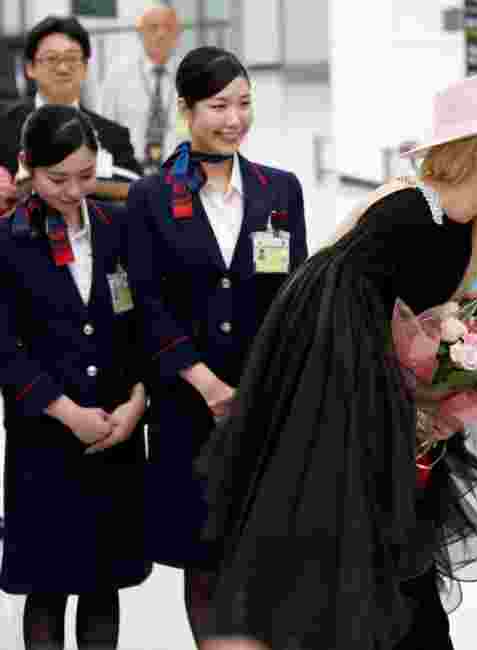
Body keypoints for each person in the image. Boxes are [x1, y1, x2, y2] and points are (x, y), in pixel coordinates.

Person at [194, 70, 477, 650]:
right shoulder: (400, 206)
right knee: (341, 577)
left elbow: (448, 326)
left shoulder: (475, 230)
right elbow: (320, 299)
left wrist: (461, 390)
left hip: (397, 430)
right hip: (335, 423)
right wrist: (398, 403)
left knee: (397, 579)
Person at [121, 46, 308, 645]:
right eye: (219, 105)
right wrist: (206, 384)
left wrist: (263, 388)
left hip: (264, 406)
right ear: (187, 108)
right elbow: (147, 304)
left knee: (263, 554)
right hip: (186, 407)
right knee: (203, 558)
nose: (234, 119)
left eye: (245, 103)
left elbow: (293, 299)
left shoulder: (280, 190)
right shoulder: (151, 197)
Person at [0, 105, 150, 649]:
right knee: (47, 587)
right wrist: (66, 412)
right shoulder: (9, 240)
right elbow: (5, 350)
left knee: (102, 582)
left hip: (116, 432)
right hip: (46, 438)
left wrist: (137, 400)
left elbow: (141, 324)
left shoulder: (119, 229)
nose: (71, 191)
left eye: (85, 177)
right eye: (56, 179)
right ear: (27, 167)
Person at [0, 16, 142, 200]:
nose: (63, 68)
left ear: (84, 68)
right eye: (52, 58)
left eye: (72, 58)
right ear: (30, 68)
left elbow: (137, 193)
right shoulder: (4, 127)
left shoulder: (113, 135)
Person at [102, 4, 183, 174]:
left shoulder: (193, 77)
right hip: (128, 174)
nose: (161, 34)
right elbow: (102, 130)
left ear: (177, 34)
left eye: (168, 28)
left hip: (178, 175)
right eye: (153, 28)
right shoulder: (117, 76)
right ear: (140, 32)